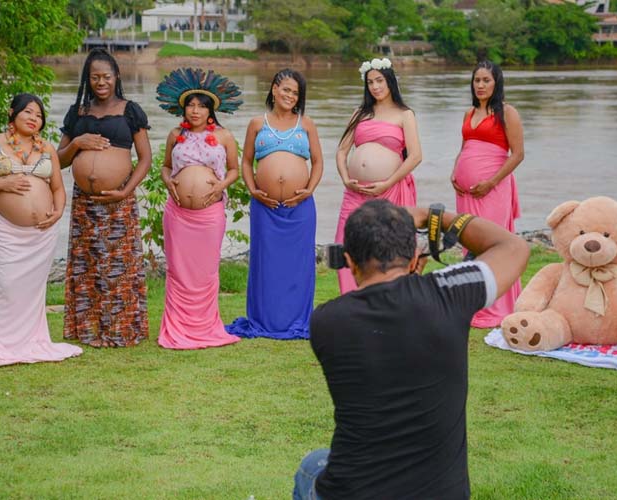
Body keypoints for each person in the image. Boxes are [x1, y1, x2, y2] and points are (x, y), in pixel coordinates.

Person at [294, 199, 529, 499]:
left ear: (350, 261)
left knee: (311, 466)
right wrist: (440, 218)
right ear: (416, 256)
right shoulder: (449, 294)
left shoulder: (326, 322)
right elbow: (514, 248)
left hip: (354, 491)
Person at [0, 94, 83, 368]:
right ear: (12, 113)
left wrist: (57, 212)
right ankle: (0, 343)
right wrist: (3, 184)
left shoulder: (46, 148)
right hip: (8, 230)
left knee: (34, 289)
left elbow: (57, 188)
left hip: (42, 232)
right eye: (28, 112)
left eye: (39, 115)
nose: (34, 118)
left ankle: (30, 342)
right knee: (6, 285)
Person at [57, 48, 152, 347]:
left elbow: (146, 158)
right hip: (84, 203)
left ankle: (121, 331)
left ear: (117, 77)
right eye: (94, 77)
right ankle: (88, 331)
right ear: (87, 79)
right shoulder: (77, 113)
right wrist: (78, 144)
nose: (101, 82)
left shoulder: (130, 110)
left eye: (106, 76)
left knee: (119, 268)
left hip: (118, 201)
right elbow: (58, 160)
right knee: (87, 266)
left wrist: (126, 190)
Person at [226, 69, 324, 340]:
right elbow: (246, 161)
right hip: (264, 208)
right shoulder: (258, 123)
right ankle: (265, 320)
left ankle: (295, 318)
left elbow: (317, 162)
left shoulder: (306, 125)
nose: (290, 96)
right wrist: (253, 189)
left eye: (295, 92)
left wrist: (308, 191)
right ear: (273, 89)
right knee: (265, 263)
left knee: (299, 264)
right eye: (286, 89)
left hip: (300, 208)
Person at [154, 68, 243, 349]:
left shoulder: (225, 136)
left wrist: (218, 187)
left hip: (209, 214)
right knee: (178, 270)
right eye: (190, 105)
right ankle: (177, 328)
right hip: (178, 214)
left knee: (206, 271)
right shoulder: (174, 134)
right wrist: (169, 182)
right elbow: (166, 167)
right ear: (183, 108)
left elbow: (234, 171)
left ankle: (204, 327)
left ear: (210, 111)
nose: (194, 111)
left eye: (200, 106)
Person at [334, 58, 422, 294]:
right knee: (347, 244)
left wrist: (387, 183)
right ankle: (351, 303)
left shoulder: (404, 114)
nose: (375, 86)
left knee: (385, 248)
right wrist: (345, 178)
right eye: (370, 82)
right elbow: (342, 151)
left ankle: (385, 303)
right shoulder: (360, 113)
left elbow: (415, 156)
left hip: (388, 191)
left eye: (379, 81)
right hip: (354, 192)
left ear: (390, 81)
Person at [450, 60, 525, 328]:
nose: (480, 85)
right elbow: (465, 146)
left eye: (486, 81)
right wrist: (454, 171)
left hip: (492, 190)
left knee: (493, 242)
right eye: (477, 80)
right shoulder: (468, 113)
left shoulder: (507, 113)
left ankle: (497, 305)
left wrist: (491, 182)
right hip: (466, 192)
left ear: (497, 83)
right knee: (470, 240)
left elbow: (518, 155)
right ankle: (474, 301)